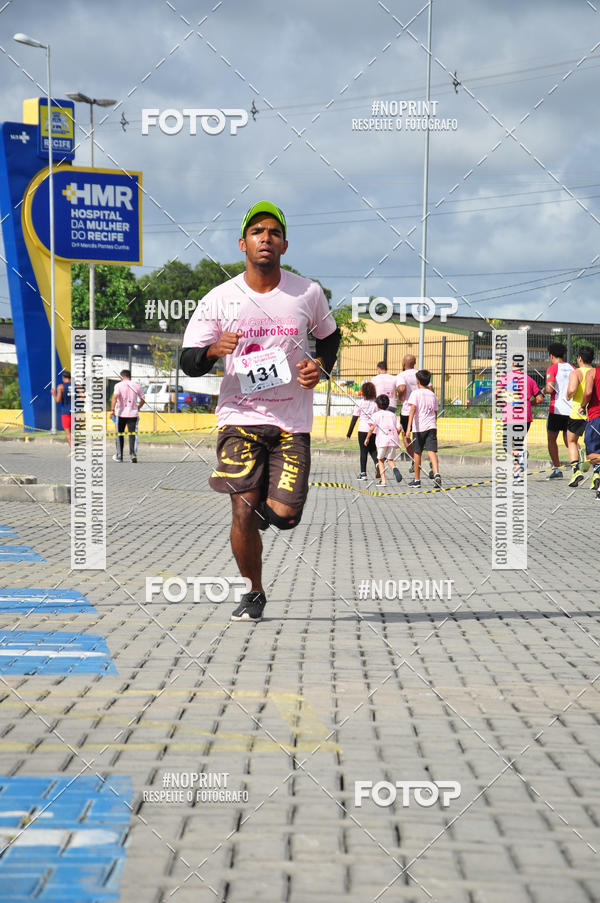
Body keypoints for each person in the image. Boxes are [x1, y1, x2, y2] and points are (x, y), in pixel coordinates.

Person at [180, 200, 341, 622]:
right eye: (256, 232)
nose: (265, 238)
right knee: (241, 509)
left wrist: (319, 367)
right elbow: (188, 361)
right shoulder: (220, 299)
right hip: (240, 418)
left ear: (285, 244)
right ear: (242, 244)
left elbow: (329, 337)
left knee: (284, 517)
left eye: (273, 232)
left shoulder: (307, 293)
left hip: (291, 422)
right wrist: (214, 349)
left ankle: (267, 517)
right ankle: (253, 591)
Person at [495, 367, 543, 477]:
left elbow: (496, 393)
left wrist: (500, 401)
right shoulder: (530, 380)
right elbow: (540, 398)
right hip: (525, 417)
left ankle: (522, 456)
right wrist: (530, 404)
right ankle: (517, 469)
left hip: (511, 417)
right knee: (517, 443)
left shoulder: (506, 378)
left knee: (507, 445)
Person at [406, 370, 441, 488]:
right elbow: (435, 412)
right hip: (431, 426)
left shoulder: (415, 394)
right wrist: (433, 423)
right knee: (431, 451)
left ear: (418, 381)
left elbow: (412, 410)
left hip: (419, 427)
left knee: (417, 453)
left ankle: (417, 480)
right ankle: (436, 473)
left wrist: (408, 428)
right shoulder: (433, 395)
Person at [565, 346, 594, 487]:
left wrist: (568, 395)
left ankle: (576, 471)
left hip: (578, 413)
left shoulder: (576, 373)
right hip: (594, 413)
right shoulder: (596, 372)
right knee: (594, 444)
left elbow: (571, 389)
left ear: (580, 358)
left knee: (571, 441)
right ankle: (597, 473)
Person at [544, 341, 574, 479]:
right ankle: (577, 467)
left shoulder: (552, 368)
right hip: (571, 409)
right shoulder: (573, 368)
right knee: (570, 440)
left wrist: (543, 390)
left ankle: (557, 469)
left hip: (556, 410)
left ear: (551, 356)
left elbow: (550, 389)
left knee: (551, 439)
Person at [364, 394, 402, 486]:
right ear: (388, 404)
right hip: (392, 440)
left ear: (377, 405)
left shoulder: (376, 415)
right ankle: (394, 469)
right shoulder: (393, 415)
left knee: (380, 460)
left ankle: (383, 481)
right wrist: (395, 435)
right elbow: (399, 428)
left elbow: (372, 428)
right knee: (390, 460)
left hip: (382, 441)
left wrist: (367, 438)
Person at [110, 369, 145, 463]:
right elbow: (143, 399)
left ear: (122, 376)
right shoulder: (136, 385)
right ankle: (133, 454)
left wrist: (112, 410)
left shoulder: (118, 385)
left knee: (119, 435)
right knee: (133, 435)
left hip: (121, 414)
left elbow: (114, 398)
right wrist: (138, 407)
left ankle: (119, 455)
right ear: (130, 376)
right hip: (133, 414)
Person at [346, 381, 378, 480]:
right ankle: (377, 464)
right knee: (373, 450)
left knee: (363, 451)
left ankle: (363, 473)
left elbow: (354, 418)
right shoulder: (376, 403)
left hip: (362, 430)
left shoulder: (360, 402)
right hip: (373, 429)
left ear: (363, 391)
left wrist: (349, 433)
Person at [395, 354, 419, 473]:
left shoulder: (401, 375)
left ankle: (415, 460)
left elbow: (402, 388)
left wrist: (400, 396)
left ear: (404, 364)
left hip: (407, 410)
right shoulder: (420, 373)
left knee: (406, 436)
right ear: (414, 363)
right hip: (420, 410)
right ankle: (420, 459)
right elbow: (430, 389)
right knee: (420, 435)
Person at [582, 361, 600, 499]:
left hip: (596, 416)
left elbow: (588, 392)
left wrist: (583, 405)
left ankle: (597, 473)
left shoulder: (592, 372)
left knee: (593, 453)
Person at [51, 370, 72, 448]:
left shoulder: (61, 387)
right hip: (76, 411)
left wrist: (53, 393)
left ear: (63, 377)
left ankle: (74, 450)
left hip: (66, 412)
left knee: (68, 433)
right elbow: (83, 395)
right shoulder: (76, 386)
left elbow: (58, 400)